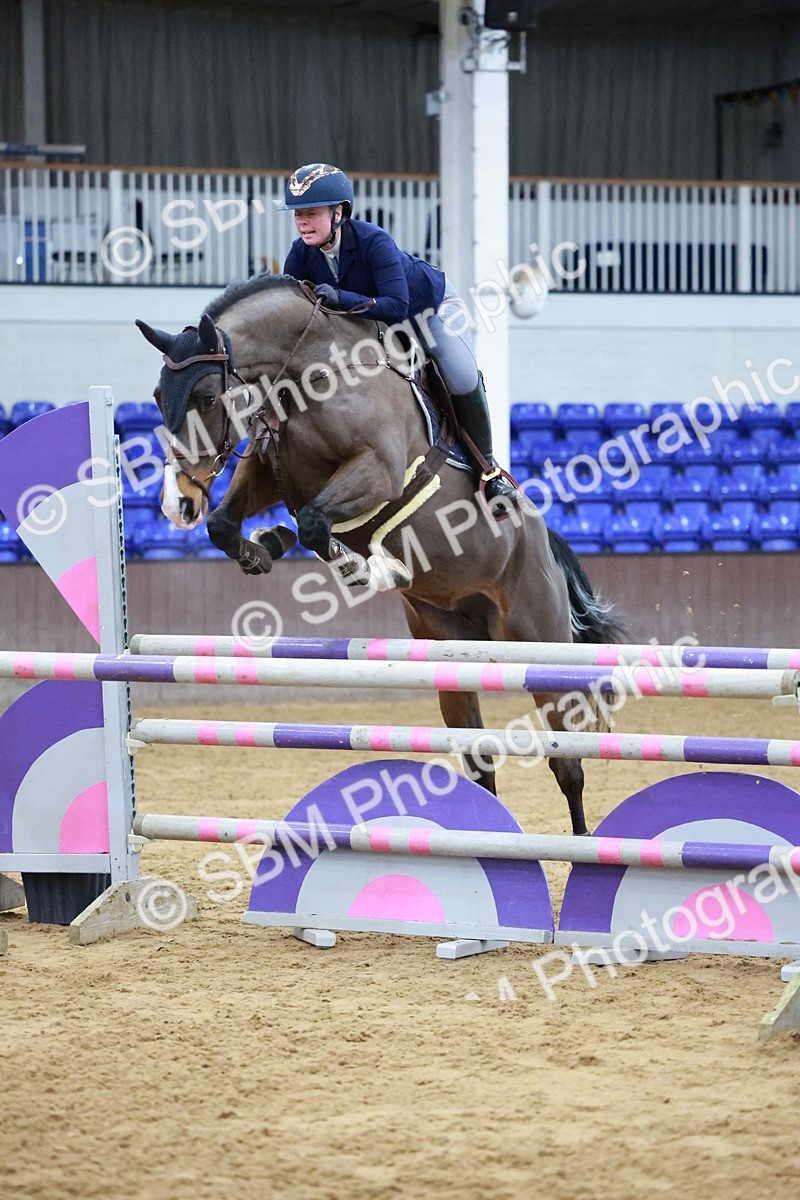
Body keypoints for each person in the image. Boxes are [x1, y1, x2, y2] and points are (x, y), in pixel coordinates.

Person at [282, 162, 519, 508]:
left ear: (338, 214)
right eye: (298, 213)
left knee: (461, 374)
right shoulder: (300, 254)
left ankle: (489, 470)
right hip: (375, 327)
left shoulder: (373, 241)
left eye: (311, 212)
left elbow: (396, 305)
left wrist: (342, 298)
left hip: (428, 310)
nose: (302, 221)